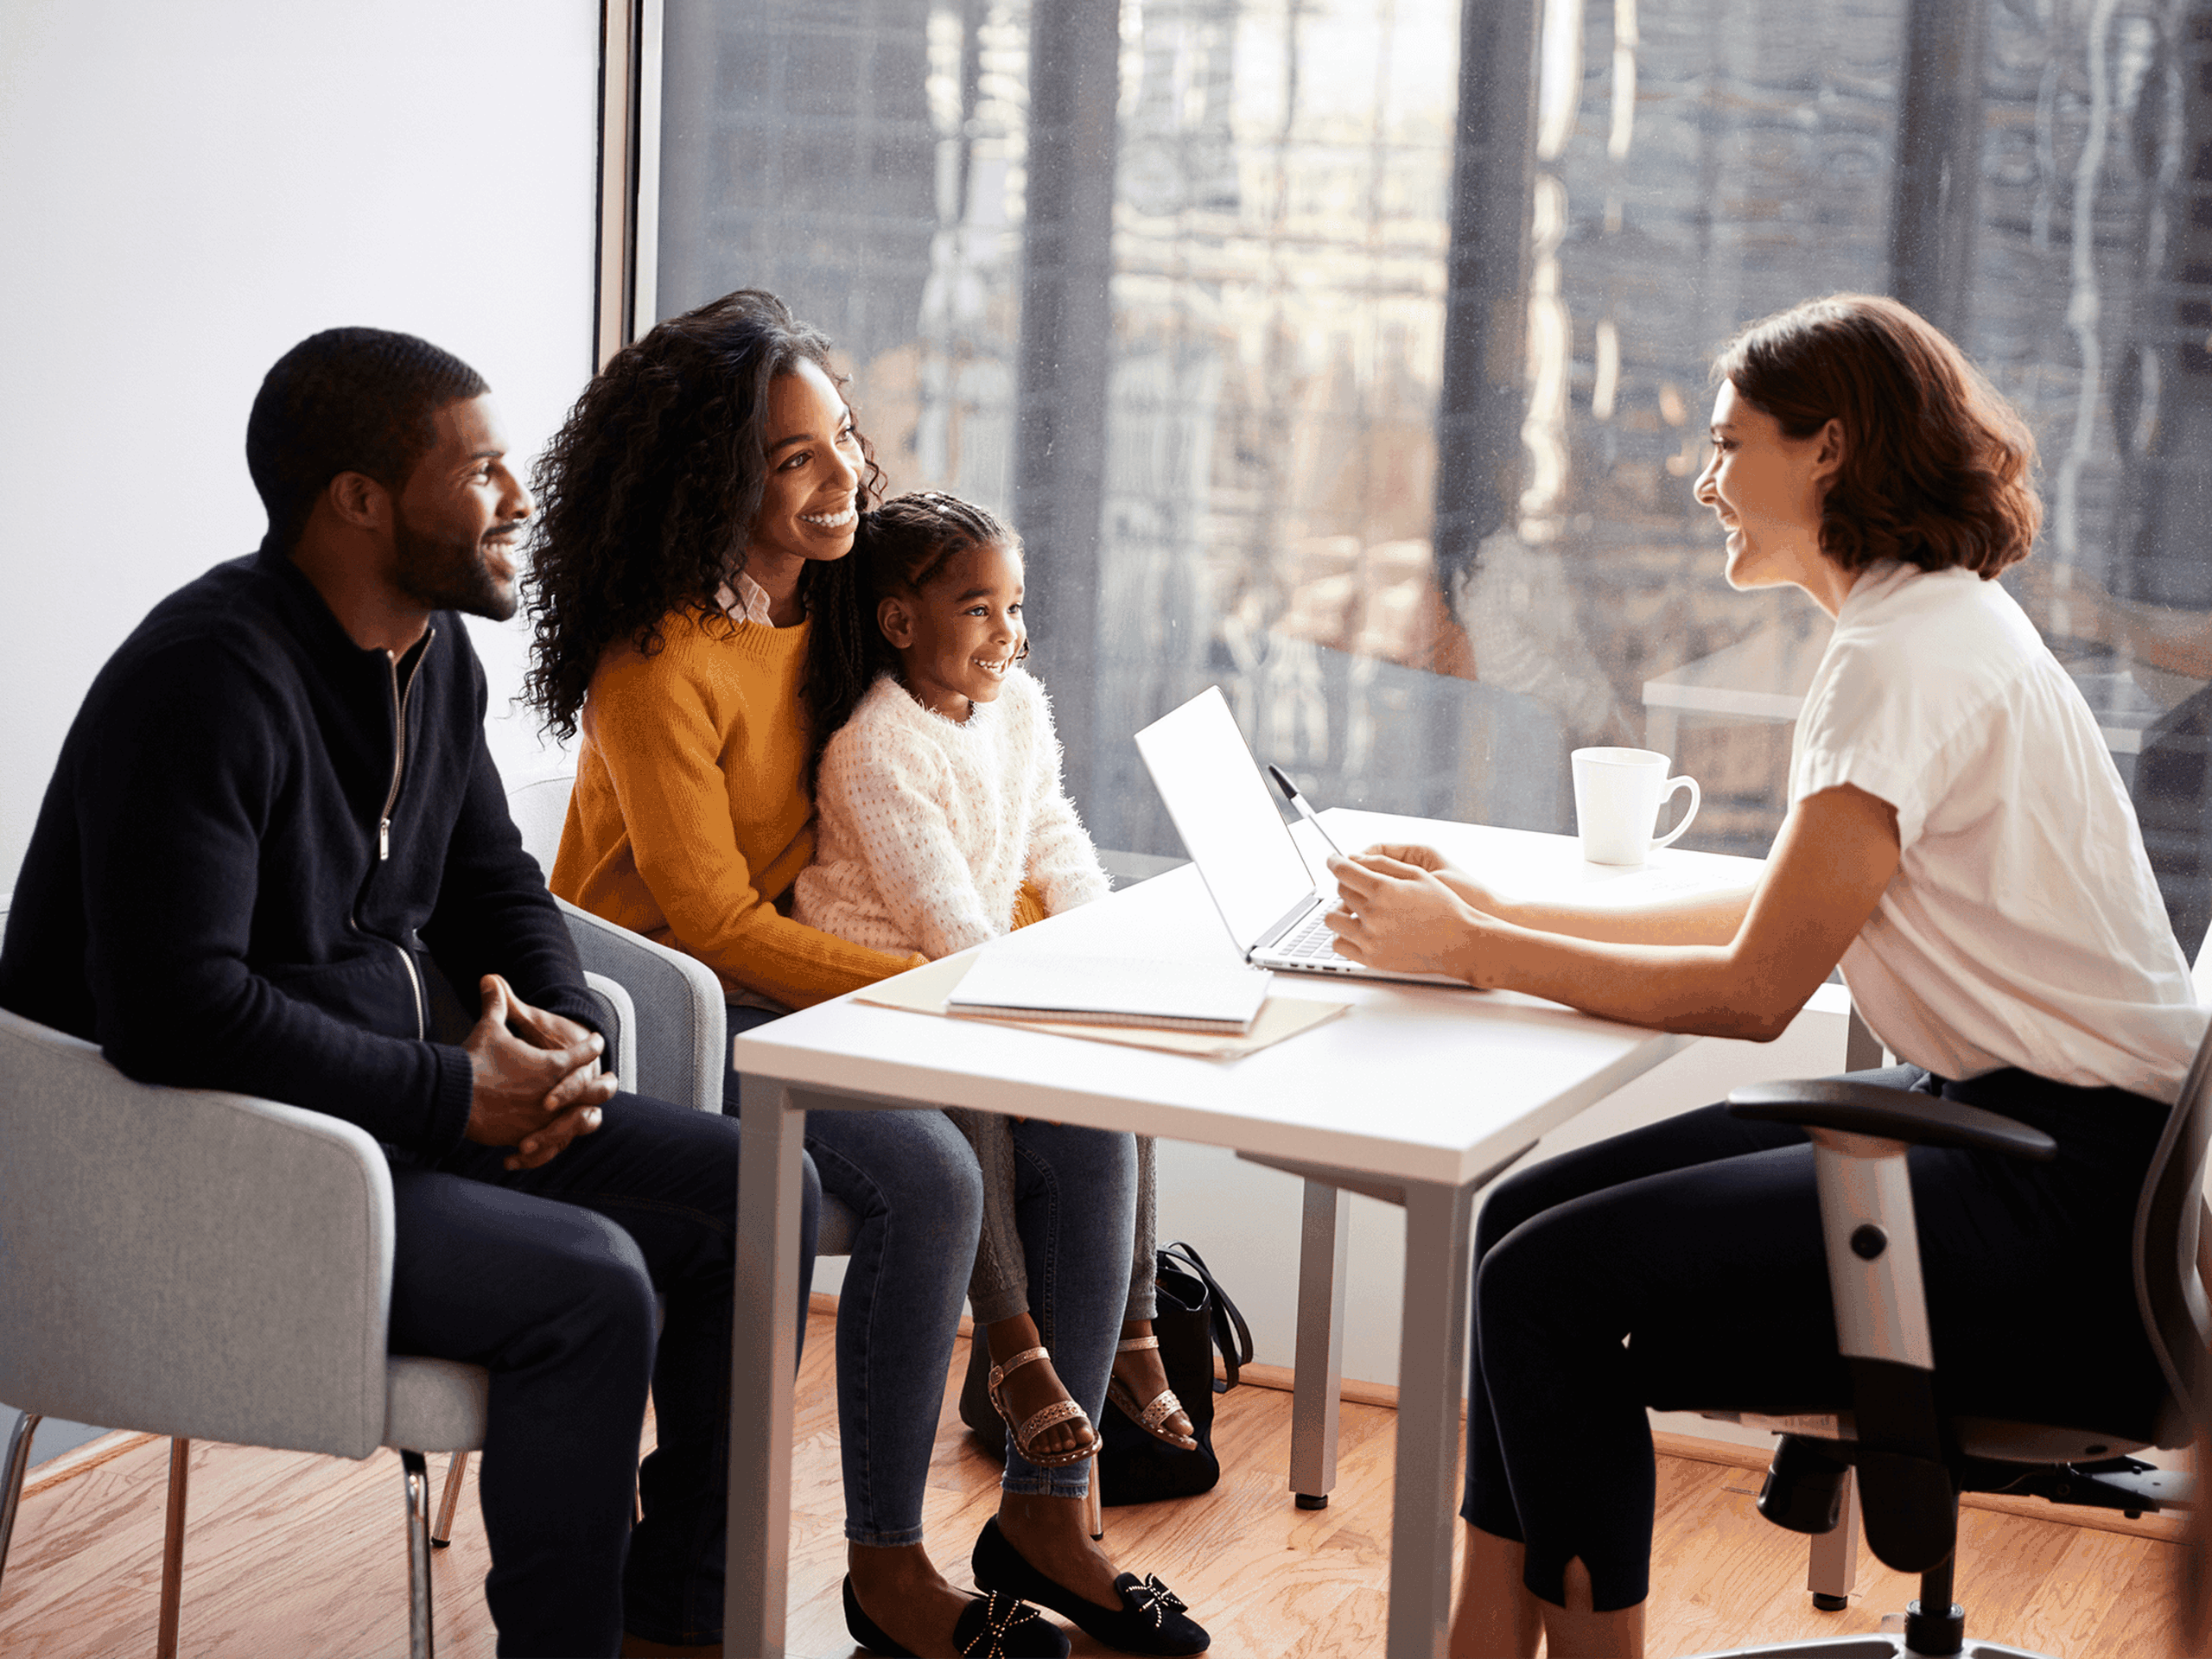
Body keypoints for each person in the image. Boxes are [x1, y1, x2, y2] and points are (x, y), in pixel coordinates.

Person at [1319, 293, 2209, 1659]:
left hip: (2056, 1207)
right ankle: (1484, 1635)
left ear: (1830, 451)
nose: (1703, 480)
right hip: (2055, 1148)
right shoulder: (1935, 625)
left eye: (1731, 445)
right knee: (1516, 1226)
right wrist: (1489, 910)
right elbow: (1804, 910)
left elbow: (1754, 993)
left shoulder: (1899, 660)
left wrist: (1480, 951)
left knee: (1547, 1284)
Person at [0, 327, 806, 1659]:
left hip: (394, 1125)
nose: (521, 500)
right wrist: (456, 1094)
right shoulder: (202, 683)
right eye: (482, 470)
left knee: (758, 1194)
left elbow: (497, 887)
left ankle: (683, 1613)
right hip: (208, 1171)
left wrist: (568, 1031)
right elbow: (175, 1011)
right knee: (592, 1284)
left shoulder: (435, 659)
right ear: (360, 499)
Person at [524, 290, 1208, 1658]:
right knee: (933, 1174)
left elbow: (964, 752)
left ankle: (1049, 1515)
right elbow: (711, 919)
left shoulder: (841, 603)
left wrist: (1045, 945)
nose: (844, 476)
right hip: (672, 1009)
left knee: (1082, 1114)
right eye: (796, 460)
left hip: (819, 975)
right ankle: (887, 1571)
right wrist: (929, 996)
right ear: (714, 479)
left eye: (841, 438)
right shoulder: (655, 662)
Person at [795, 490, 1198, 1461]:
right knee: (973, 1083)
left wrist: (1098, 947)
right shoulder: (873, 750)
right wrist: (1036, 1013)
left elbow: (1050, 832)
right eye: (978, 609)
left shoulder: (1014, 708)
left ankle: (1138, 1330)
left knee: (1119, 1056)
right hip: (890, 993)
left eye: (1014, 608)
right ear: (900, 621)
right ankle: (1013, 1345)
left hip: (969, 972)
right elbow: (947, 925)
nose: (1006, 633)